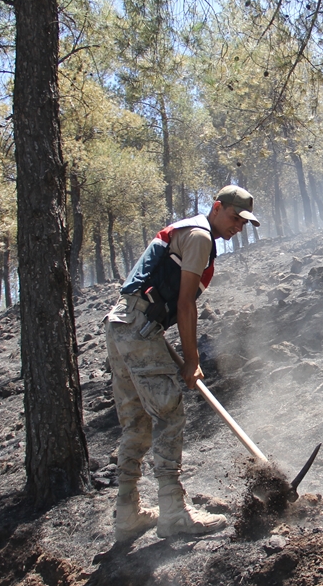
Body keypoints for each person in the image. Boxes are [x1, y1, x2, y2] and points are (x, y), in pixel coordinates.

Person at [103, 185, 259, 542]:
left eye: (244, 222)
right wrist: (192, 360)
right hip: (139, 326)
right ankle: (173, 512)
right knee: (169, 413)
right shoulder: (201, 236)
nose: (238, 227)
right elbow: (186, 302)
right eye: (235, 218)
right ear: (217, 208)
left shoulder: (186, 229)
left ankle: (127, 513)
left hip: (122, 324)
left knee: (137, 423)